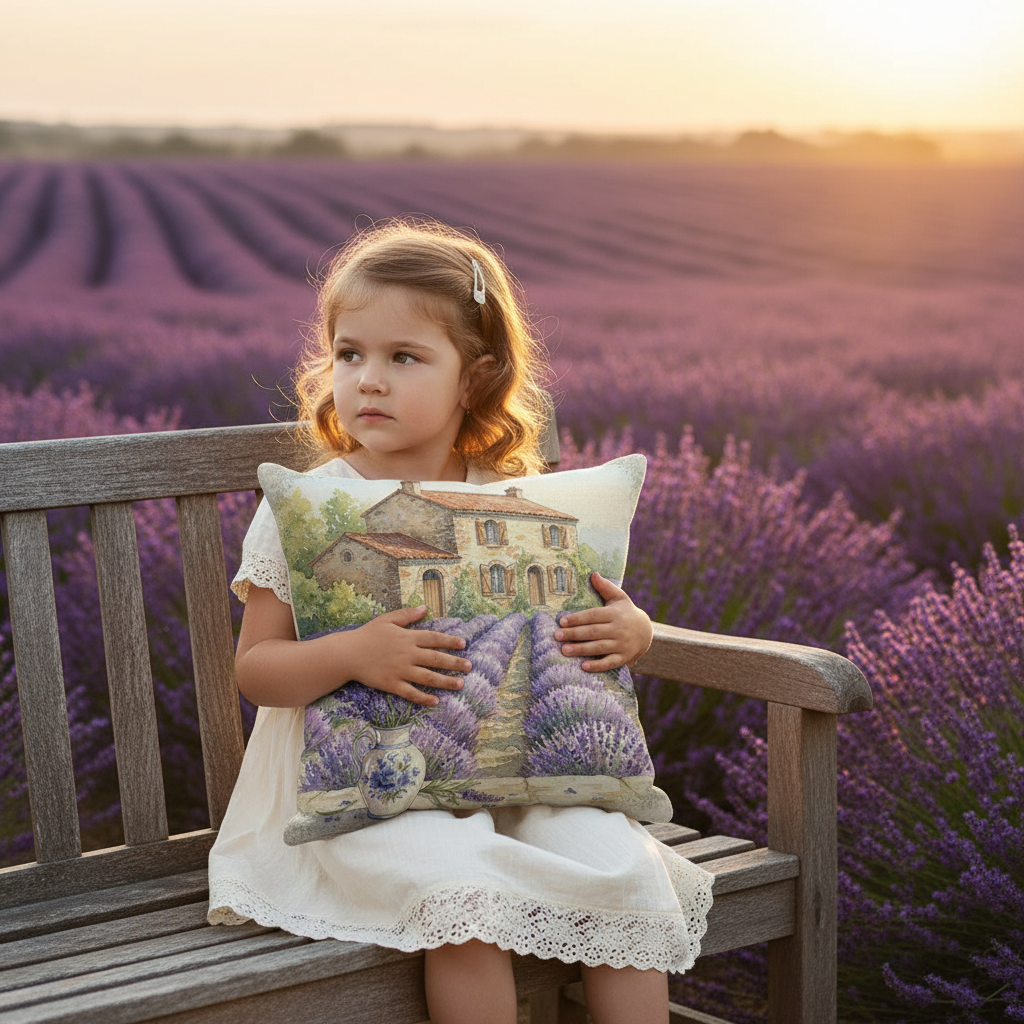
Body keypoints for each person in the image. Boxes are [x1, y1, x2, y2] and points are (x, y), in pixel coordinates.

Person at [207, 218, 712, 1024]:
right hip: (357, 790)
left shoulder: (513, 498)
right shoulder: (312, 507)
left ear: (473, 380)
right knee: (465, 895)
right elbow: (257, 670)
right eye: (349, 354)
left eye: (403, 357)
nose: (368, 380)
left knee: (624, 873)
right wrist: (350, 653)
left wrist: (635, 636)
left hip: (518, 779)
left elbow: (586, 615)